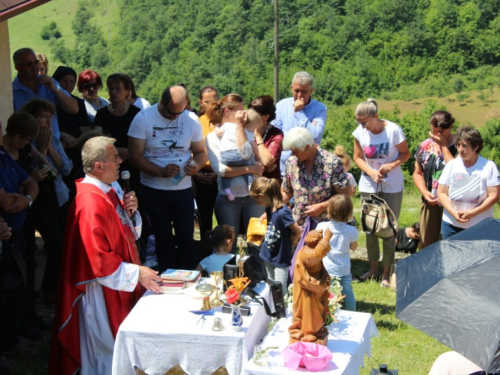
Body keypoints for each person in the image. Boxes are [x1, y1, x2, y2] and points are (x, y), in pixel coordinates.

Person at [49, 136, 161, 375]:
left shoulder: (108, 190)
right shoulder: (90, 201)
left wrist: (132, 214)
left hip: (117, 283)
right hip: (100, 289)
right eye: (114, 158)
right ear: (99, 166)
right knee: (105, 352)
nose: (121, 161)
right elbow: (95, 258)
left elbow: (124, 233)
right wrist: (137, 273)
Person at [128, 85, 207, 272]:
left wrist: (195, 165)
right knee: (162, 237)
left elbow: (201, 152)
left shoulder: (191, 120)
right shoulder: (143, 118)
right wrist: (159, 171)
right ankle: (166, 277)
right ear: (162, 102)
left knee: (186, 237)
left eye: (180, 113)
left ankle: (187, 276)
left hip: (183, 189)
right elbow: (134, 156)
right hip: (153, 189)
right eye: (171, 113)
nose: (175, 118)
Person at [352, 98, 410, 287]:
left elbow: (405, 154)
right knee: (370, 228)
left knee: (389, 229)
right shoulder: (360, 132)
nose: (362, 127)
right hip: (369, 185)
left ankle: (386, 273)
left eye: (365, 122)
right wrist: (370, 172)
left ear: (376, 116)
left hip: (392, 185)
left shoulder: (393, 130)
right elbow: (357, 157)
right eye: (359, 123)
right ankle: (373, 269)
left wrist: (392, 165)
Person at [205, 94, 264, 252]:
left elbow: (252, 156)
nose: (244, 115)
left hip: (253, 198)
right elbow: (221, 170)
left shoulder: (245, 131)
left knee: (257, 240)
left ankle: (256, 274)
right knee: (227, 244)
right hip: (228, 199)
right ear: (227, 111)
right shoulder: (213, 138)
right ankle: (228, 275)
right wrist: (250, 169)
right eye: (239, 111)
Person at [437, 126, 500, 239]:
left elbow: (494, 196)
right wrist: (452, 212)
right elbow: (441, 192)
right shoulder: (452, 165)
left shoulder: (488, 166)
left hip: (480, 226)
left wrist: (473, 213)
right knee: (451, 256)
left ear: (475, 147)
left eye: (464, 146)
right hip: (451, 225)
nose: (460, 149)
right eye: (458, 145)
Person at [281, 127, 349, 227]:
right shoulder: (291, 163)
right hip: (299, 226)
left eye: (295, 151)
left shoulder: (332, 163)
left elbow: (344, 194)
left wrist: (322, 207)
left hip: (327, 226)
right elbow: (287, 192)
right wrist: (272, 209)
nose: (292, 154)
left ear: (307, 147)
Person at [12, 48, 79, 140]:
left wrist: (55, 89)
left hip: (55, 142)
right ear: (17, 67)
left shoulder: (49, 82)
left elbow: (74, 109)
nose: (34, 67)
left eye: (36, 62)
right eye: (29, 64)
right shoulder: (12, 92)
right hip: (29, 146)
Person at [413, 110, 457, 249]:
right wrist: (424, 192)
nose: (437, 134)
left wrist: (443, 145)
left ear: (450, 127)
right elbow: (417, 172)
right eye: (434, 130)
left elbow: (455, 169)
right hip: (430, 201)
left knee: (451, 244)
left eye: (441, 131)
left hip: (453, 203)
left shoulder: (459, 146)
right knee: (427, 243)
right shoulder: (425, 146)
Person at [250, 177, 302, 290]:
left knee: (280, 289)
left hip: (280, 257)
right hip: (268, 254)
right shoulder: (269, 209)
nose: (256, 202)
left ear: (262, 196)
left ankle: (282, 307)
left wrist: (294, 239)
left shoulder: (283, 212)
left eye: (256, 199)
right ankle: (271, 306)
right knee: (270, 285)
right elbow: (271, 228)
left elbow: (298, 230)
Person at [272, 71, 327, 175]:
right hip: (284, 168)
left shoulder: (320, 109)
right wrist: (305, 131)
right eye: (296, 91)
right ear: (291, 88)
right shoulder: (281, 105)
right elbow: (275, 135)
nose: (299, 95)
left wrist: (299, 112)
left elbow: (315, 136)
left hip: (309, 169)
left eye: (304, 91)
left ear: (311, 91)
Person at [94, 73, 141, 191]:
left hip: (134, 164)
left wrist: (131, 152)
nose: (113, 91)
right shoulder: (101, 115)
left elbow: (145, 141)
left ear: (127, 91)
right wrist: (116, 151)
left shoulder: (137, 114)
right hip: (109, 165)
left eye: (118, 88)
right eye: (111, 88)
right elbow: (95, 141)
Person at [316, 194, 358, 311]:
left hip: (325, 268)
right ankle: (352, 314)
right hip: (343, 268)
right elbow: (354, 247)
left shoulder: (322, 226)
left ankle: (324, 313)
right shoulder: (351, 230)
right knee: (348, 293)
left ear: (329, 210)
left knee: (325, 293)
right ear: (349, 213)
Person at [217, 108, 262, 201]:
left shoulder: (228, 125)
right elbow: (253, 147)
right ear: (247, 126)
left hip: (225, 156)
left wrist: (216, 127)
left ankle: (227, 190)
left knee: (225, 175)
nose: (253, 132)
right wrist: (258, 156)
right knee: (249, 167)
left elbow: (218, 132)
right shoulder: (246, 133)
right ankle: (250, 186)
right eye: (253, 129)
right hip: (237, 156)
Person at [192, 86, 219, 237]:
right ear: (201, 103)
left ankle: (224, 251)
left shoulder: (224, 122)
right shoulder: (195, 122)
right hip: (199, 175)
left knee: (223, 218)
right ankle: (205, 251)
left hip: (221, 174)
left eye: (215, 100)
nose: (211, 104)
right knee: (203, 217)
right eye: (207, 101)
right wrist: (195, 173)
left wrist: (218, 173)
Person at [248, 95, 284, 182]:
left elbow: (267, 161)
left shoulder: (276, 134)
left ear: (266, 117)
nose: (250, 117)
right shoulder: (245, 130)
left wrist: (257, 136)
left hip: (268, 187)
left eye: (254, 114)